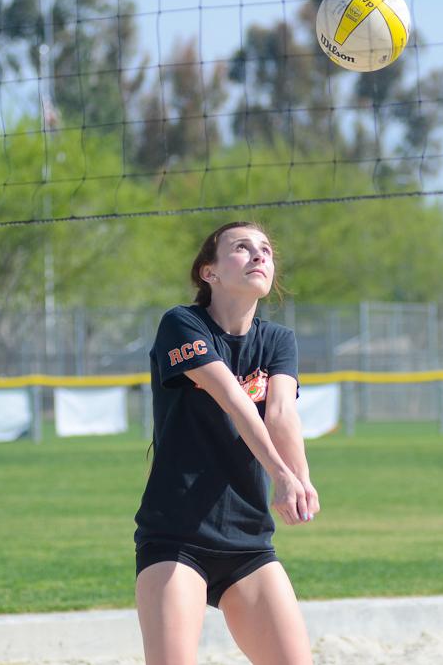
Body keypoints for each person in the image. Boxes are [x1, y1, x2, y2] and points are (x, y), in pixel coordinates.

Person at [134, 221, 319, 665]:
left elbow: (280, 413)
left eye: (266, 250)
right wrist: (280, 474)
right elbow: (235, 400)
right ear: (209, 272)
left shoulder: (278, 339)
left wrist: (301, 480)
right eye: (242, 248)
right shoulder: (181, 323)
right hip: (177, 536)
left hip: (249, 541)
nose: (259, 256)